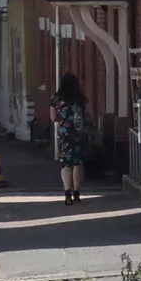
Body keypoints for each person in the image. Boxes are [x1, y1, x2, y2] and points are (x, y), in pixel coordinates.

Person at [51, 72, 89, 204]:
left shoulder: (56, 98)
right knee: (77, 163)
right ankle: (77, 192)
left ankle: (67, 192)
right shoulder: (80, 97)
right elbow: (85, 114)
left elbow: (53, 118)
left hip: (64, 133)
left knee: (66, 163)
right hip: (78, 132)